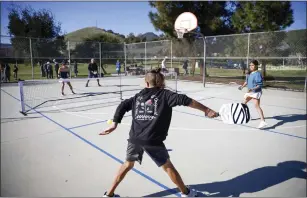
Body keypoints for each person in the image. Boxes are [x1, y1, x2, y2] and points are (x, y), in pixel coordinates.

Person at [100, 68, 218, 197]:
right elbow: (186, 100)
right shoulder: (166, 95)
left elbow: (123, 105)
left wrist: (115, 123)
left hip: (135, 139)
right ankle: (186, 192)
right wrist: (206, 110)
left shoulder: (138, 96)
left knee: (128, 164)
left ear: (146, 83)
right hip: (152, 141)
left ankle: (109, 194)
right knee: (167, 166)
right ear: (162, 83)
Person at [238, 60, 267, 129]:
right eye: (250, 65)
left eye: (252, 65)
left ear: (256, 66)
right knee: (243, 103)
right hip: (250, 92)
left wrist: (252, 89)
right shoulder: (249, 73)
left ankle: (263, 121)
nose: (251, 66)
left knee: (256, 106)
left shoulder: (257, 74)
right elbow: (246, 82)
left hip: (255, 92)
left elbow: (259, 85)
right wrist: (242, 86)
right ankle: (247, 115)